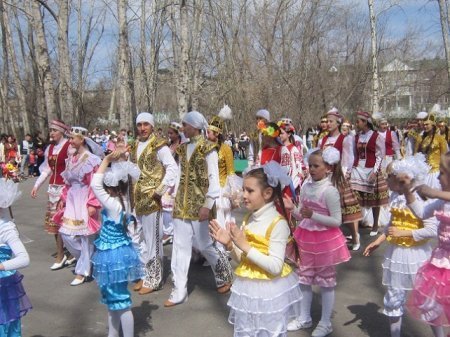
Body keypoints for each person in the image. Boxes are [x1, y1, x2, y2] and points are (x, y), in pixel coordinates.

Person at [209, 161, 302, 337]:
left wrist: (244, 245)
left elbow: (275, 267)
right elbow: (244, 260)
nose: (243, 195)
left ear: (267, 193)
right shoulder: (248, 218)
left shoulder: (277, 224)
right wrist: (229, 245)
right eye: (243, 189)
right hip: (248, 291)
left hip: (270, 292)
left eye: (249, 191)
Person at [165, 110, 233, 307]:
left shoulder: (208, 148)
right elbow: (179, 175)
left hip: (200, 205)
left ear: (194, 126)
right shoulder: (182, 148)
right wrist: (173, 195)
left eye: (185, 125)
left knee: (204, 244)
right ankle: (179, 290)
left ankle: (224, 274)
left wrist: (207, 205)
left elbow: (213, 179)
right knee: (179, 246)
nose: (183, 128)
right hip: (181, 204)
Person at [364, 155, 436, 337]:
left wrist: (405, 233)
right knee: (394, 297)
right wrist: (378, 241)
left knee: (426, 299)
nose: (386, 180)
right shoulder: (396, 197)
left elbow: (431, 229)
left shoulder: (420, 198)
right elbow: (392, 225)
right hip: (396, 254)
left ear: (402, 179)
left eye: (389, 177)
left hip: (417, 255)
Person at [287, 147, 350, 337]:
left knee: (325, 281)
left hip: (325, 240)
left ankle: (325, 322)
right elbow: (301, 214)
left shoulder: (330, 191)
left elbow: (337, 221)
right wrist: (292, 209)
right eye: (310, 165)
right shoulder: (306, 186)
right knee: (303, 277)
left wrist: (313, 215)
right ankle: (304, 316)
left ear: (328, 168)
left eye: (316, 166)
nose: (312, 169)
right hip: (305, 236)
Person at [91, 149, 142, 337]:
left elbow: (94, 184)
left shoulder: (113, 204)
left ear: (111, 187)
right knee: (114, 298)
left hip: (112, 256)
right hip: (119, 253)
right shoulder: (126, 202)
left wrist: (106, 160)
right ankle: (112, 334)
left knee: (120, 300)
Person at [400, 152, 450, 337]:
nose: (437, 177)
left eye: (442, 173)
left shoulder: (440, 197)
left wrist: (434, 192)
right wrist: (407, 191)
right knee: (430, 304)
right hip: (441, 262)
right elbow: (421, 213)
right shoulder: (441, 203)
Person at [129, 112, 178, 295]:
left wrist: (160, 190)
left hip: (152, 199)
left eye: (146, 125)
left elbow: (172, 168)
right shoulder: (134, 145)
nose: (142, 128)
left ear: (151, 126)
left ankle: (154, 278)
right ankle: (145, 273)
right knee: (140, 239)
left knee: (154, 240)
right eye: (139, 124)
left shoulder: (158, 145)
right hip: (137, 198)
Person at [53, 126, 103, 285]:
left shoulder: (90, 159)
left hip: (84, 198)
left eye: (73, 138)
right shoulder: (71, 159)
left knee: (85, 237)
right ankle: (89, 259)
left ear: (81, 140)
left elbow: (94, 183)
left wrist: (93, 203)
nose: (70, 141)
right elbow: (67, 183)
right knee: (67, 233)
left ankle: (82, 272)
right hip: (72, 200)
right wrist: (63, 198)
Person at [31, 120, 73, 270]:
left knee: (66, 222)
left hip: (66, 189)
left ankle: (65, 253)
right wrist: (36, 185)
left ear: (62, 132)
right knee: (55, 223)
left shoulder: (69, 146)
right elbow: (47, 169)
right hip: (53, 189)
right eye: (51, 131)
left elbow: (72, 169)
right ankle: (63, 253)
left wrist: (69, 189)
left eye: (55, 130)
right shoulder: (51, 148)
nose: (52, 133)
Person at [319, 108, 361, 250]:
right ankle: (331, 237)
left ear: (338, 123)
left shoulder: (345, 139)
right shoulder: (323, 139)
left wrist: (344, 174)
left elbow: (348, 158)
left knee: (347, 209)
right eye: (327, 121)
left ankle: (355, 236)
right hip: (325, 176)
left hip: (339, 176)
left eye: (331, 121)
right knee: (327, 209)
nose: (328, 124)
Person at [0, 178, 32, 337]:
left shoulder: (6, 228)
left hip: (2, 285)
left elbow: (24, 258)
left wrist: (1, 266)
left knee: (5, 325)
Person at [350, 111, 389, 236]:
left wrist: (375, 171)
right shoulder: (357, 137)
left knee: (374, 200)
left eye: (358, 121)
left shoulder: (376, 136)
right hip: (358, 169)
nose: (356, 124)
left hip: (370, 169)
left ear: (365, 122)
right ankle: (355, 228)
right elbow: (354, 154)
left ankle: (375, 225)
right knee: (354, 199)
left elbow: (380, 155)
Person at [207, 105, 242, 229]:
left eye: (209, 132)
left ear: (216, 133)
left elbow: (231, 171)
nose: (206, 135)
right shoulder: (205, 148)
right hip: (208, 186)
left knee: (220, 215)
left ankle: (222, 243)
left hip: (222, 187)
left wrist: (234, 192)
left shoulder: (226, 149)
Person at [161, 122, 183, 245]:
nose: (169, 135)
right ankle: (168, 230)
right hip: (168, 176)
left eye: (171, 133)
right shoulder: (168, 145)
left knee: (173, 204)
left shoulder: (181, 146)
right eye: (168, 133)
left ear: (177, 134)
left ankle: (173, 231)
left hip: (177, 176)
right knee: (165, 205)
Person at [414, 113, 448, 189]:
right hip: (426, 171)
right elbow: (416, 154)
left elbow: (445, 156)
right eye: (424, 125)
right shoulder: (422, 138)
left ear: (432, 125)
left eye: (427, 124)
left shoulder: (440, 138)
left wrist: (444, 171)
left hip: (437, 171)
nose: (425, 126)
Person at [278, 119, 303, 194]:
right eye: (278, 133)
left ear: (288, 134)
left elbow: (297, 170)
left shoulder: (293, 149)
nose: (279, 136)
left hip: (289, 187)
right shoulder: (279, 148)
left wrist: (293, 186)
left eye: (282, 133)